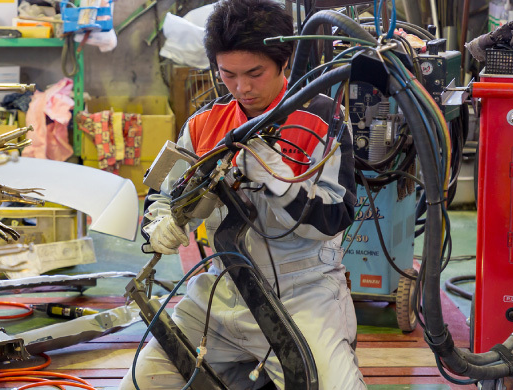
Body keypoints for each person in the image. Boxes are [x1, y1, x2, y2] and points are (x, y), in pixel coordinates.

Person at [118, 0, 365, 388]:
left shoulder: (322, 118)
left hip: (302, 296)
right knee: (141, 382)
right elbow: (165, 194)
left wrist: (284, 186)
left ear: (285, 63)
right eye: (227, 74)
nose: (241, 88)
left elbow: (337, 216)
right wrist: (159, 224)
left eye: (254, 73)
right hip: (220, 292)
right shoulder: (205, 124)